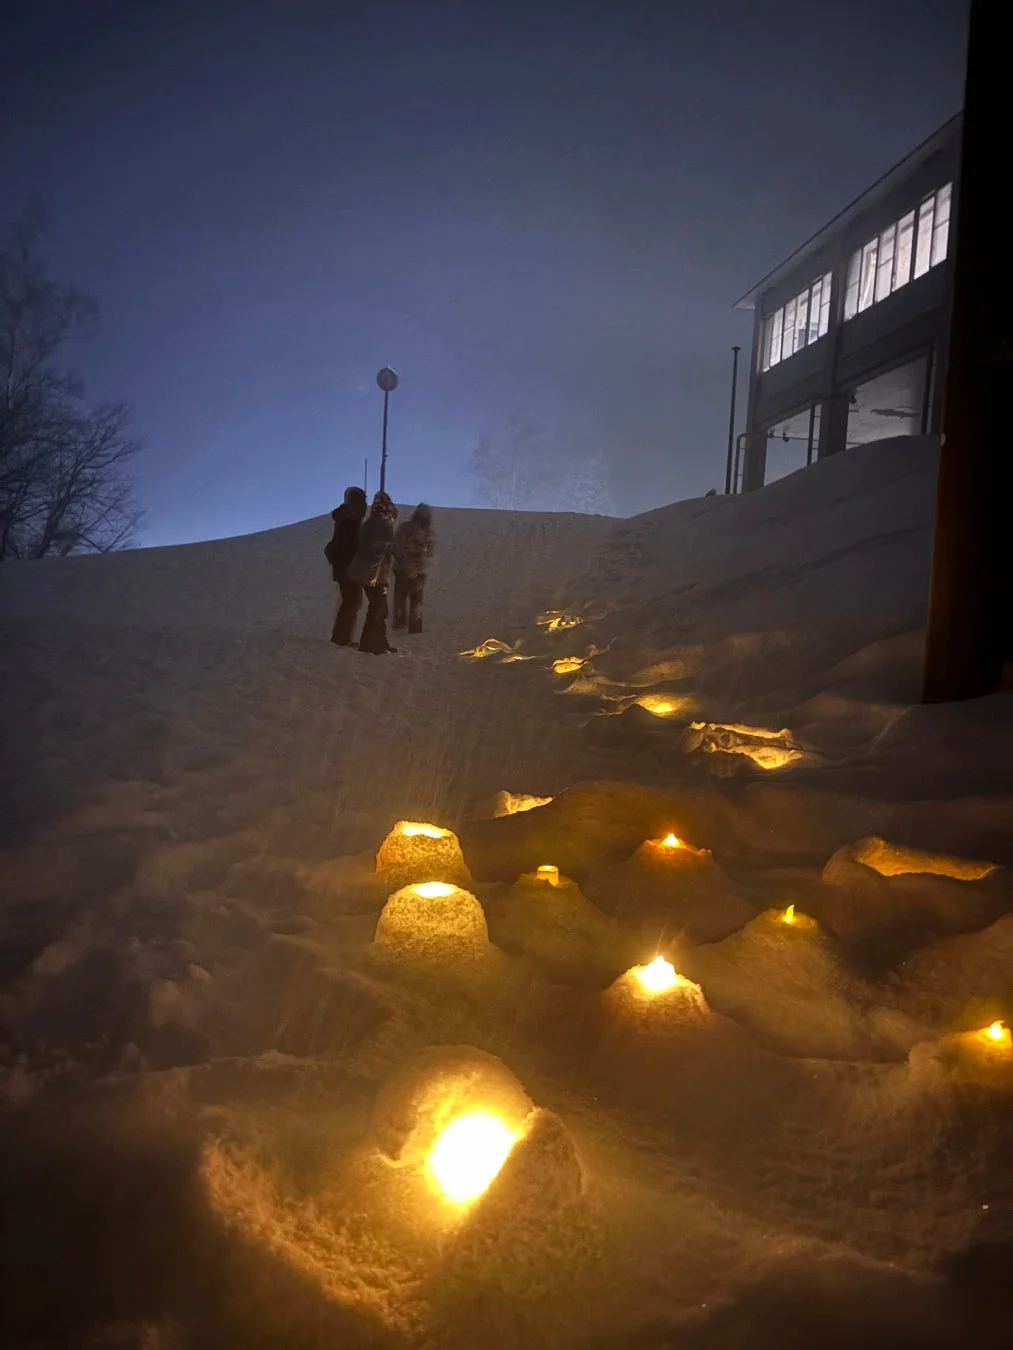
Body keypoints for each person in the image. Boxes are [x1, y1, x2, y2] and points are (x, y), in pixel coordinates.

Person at [348, 490, 398, 655]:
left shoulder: (373, 523)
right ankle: (370, 644)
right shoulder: (381, 526)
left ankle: (380, 642)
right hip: (373, 575)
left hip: (373, 574)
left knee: (380, 608)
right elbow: (375, 553)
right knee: (377, 608)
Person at [325, 485, 368, 646]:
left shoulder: (345, 518)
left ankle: (342, 636)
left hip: (344, 567)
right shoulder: (350, 520)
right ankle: (341, 637)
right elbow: (350, 545)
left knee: (351, 601)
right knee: (352, 601)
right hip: (348, 567)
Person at [392, 503, 435, 634]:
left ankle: (399, 624)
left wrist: (401, 557)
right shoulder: (429, 533)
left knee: (400, 597)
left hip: (402, 568)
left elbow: (396, 546)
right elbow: (430, 553)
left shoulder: (405, 528)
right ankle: (415, 627)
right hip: (419, 571)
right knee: (416, 601)